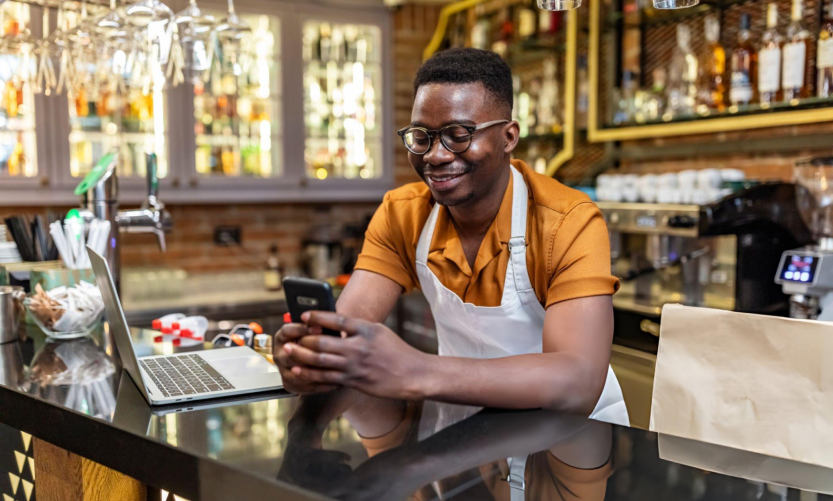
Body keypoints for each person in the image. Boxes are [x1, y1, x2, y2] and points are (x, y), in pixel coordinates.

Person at [273, 47, 628, 426]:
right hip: (465, 433)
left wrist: (417, 372)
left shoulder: (568, 222)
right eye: (422, 136)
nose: (435, 156)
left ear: (509, 137)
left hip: (571, 440)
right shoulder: (404, 213)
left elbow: (579, 382)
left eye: (458, 135)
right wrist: (314, 358)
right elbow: (347, 327)